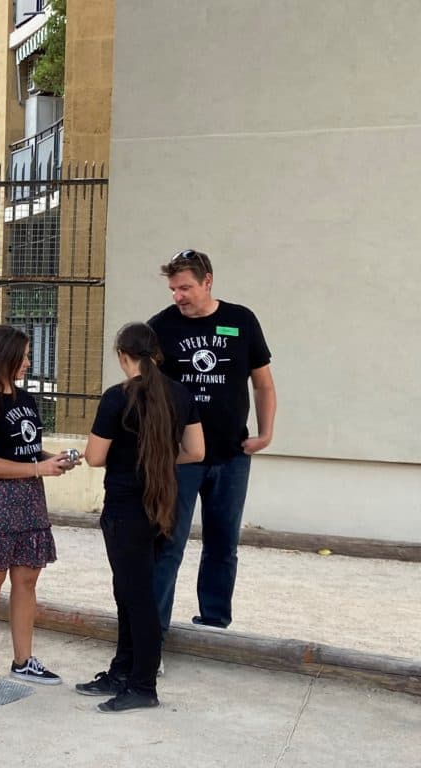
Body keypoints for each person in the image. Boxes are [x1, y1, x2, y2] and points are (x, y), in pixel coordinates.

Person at [75, 323, 204, 713]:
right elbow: (196, 451)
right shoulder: (179, 393)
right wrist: (159, 462)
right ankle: (123, 669)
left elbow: (95, 456)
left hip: (125, 506)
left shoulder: (118, 398)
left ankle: (143, 684)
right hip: (162, 503)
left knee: (137, 596)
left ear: (122, 356)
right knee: (130, 590)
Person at [150, 249, 276, 634]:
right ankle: (154, 632)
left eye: (185, 287)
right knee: (168, 544)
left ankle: (214, 623)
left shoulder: (241, 321)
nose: (178, 296)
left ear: (208, 281)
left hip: (231, 455)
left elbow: (263, 383)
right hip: (181, 458)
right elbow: (145, 392)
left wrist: (265, 434)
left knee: (223, 544)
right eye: (173, 289)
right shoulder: (161, 327)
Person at [0, 325, 76, 690]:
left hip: (28, 498)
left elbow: (25, 449)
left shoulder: (26, 399)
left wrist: (53, 459)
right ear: (5, 356)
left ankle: (23, 660)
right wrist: (39, 468)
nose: (27, 362)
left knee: (27, 579)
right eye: (23, 355)